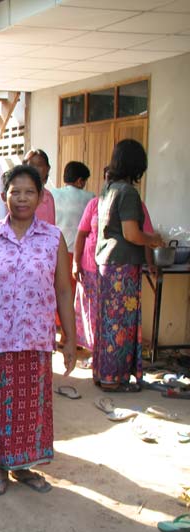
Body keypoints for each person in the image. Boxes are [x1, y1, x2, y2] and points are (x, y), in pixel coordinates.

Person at [0, 165, 76, 496]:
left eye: (28, 192)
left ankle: (25, 466)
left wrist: (70, 338)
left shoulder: (53, 238)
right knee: (2, 401)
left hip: (36, 336)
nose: (21, 198)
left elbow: (63, 290)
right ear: (4, 196)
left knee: (31, 405)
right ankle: (1, 466)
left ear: (41, 196)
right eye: (14, 191)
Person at [93, 139, 163, 393]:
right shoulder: (128, 193)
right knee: (120, 323)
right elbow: (132, 234)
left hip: (106, 263)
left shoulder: (108, 188)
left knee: (107, 321)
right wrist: (153, 240)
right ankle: (114, 378)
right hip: (122, 266)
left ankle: (104, 374)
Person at [73, 169, 156, 360]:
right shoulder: (95, 204)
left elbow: (145, 237)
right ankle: (97, 355)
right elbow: (81, 234)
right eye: (108, 178)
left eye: (114, 177)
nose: (110, 182)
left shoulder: (135, 205)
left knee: (113, 318)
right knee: (93, 314)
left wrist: (150, 264)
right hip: (91, 267)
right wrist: (76, 263)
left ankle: (107, 359)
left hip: (118, 271)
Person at [53, 161, 94, 261]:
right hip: (77, 252)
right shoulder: (89, 197)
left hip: (54, 248)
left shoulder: (52, 194)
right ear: (80, 181)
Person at [23, 149, 56, 225]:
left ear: (47, 169)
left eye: (39, 165)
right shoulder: (17, 193)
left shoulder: (48, 197)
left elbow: (51, 227)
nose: (35, 169)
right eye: (31, 165)